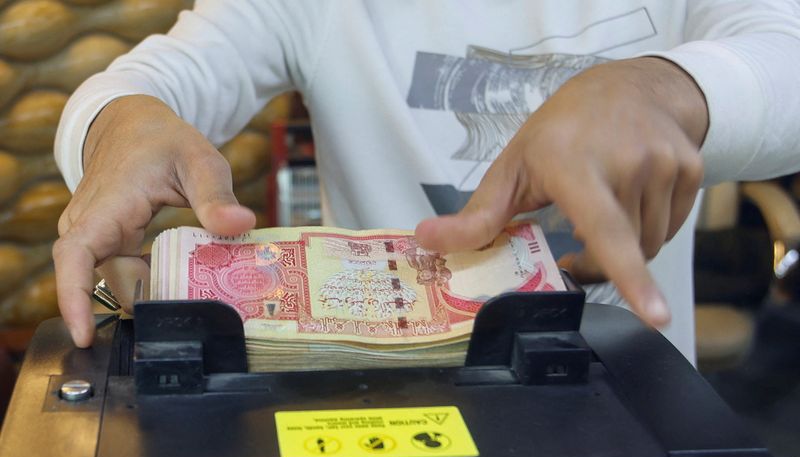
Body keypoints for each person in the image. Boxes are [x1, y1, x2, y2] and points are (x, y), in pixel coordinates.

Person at [53, 1, 800, 362]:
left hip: (630, 398)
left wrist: (664, 88)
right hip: (382, 407)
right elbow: (150, 80)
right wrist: (118, 122)